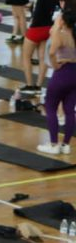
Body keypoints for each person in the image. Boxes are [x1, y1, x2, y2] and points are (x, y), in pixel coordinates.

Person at [41, 8, 76, 155]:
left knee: (50, 107)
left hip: (62, 74)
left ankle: (54, 144)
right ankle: (66, 145)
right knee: (70, 111)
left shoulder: (60, 34)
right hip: (74, 74)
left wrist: (55, 66)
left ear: (63, 21)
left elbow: (51, 53)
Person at [21, 0, 59, 97]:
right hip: (48, 29)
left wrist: (31, 24)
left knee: (26, 57)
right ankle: (38, 86)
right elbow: (62, 8)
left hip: (35, 29)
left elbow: (36, 14)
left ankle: (29, 85)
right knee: (42, 58)